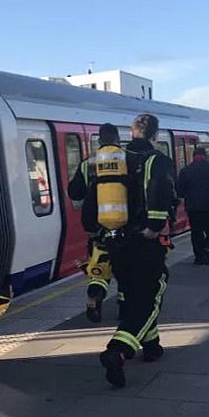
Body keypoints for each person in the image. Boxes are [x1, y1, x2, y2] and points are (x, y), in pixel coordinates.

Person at [98, 113, 175, 388]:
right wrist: (154, 227)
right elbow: (160, 193)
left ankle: (151, 345)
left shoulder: (111, 160)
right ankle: (118, 350)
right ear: (155, 134)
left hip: (116, 241)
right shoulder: (157, 160)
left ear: (130, 133)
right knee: (151, 295)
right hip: (144, 241)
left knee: (133, 295)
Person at [67, 123, 123, 323]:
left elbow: (74, 192)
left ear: (99, 141)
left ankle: (94, 301)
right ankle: (124, 310)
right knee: (124, 272)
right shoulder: (127, 160)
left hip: (95, 227)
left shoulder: (87, 164)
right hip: (122, 226)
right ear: (117, 140)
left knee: (99, 269)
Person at [177, 147, 209, 265]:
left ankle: (199, 257)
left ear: (193, 156)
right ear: (205, 156)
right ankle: (208, 246)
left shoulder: (185, 171)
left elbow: (180, 191)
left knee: (196, 232)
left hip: (194, 208)